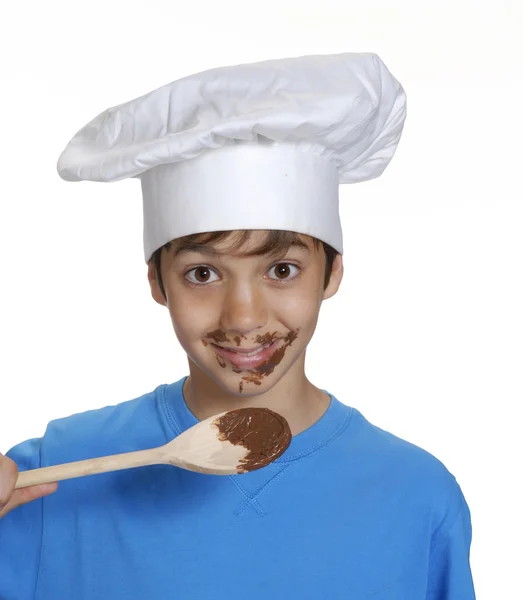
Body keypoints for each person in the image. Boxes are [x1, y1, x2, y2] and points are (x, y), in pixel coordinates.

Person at [0, 52, 475, 599]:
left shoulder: (416, 495)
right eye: (202, 273)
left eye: (281, 270)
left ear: (332, 273)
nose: (244, 317)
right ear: (157, 282)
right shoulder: (51, 476)